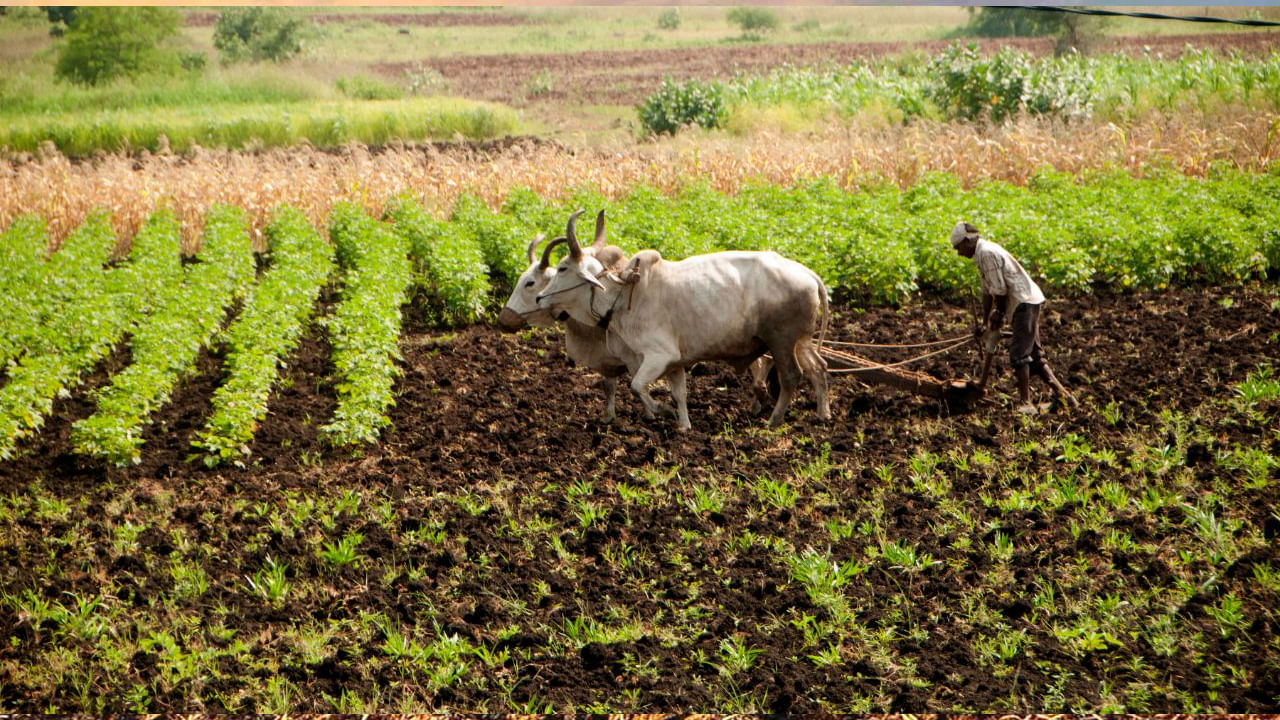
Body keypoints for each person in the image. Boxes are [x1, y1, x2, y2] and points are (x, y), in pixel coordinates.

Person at [949, 221, 1076, 415]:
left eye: (959, 248)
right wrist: (985, 323)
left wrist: (998, 314)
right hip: (1024, 302)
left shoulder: (987, 253)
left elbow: (999, 290)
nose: (959, 253)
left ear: (968, 241)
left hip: (1023, 302)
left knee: (1019, 355)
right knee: (1036, 356)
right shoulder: (981, 255)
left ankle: (1026, 403)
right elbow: (987, 292)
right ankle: (1064, 397)